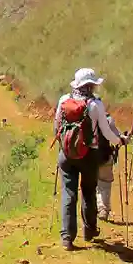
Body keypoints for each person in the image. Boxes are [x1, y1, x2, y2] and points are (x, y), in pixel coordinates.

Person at [53, 68, 127, 251]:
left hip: (67, 154)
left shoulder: (64, 101)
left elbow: (56, 126)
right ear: (90, 85)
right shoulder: (95, 105)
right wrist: (120, 140)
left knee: (68, 193)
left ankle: (67, 237)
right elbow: (106, 131)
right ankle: (90, 230)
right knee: (88, 191)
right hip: (89, 154)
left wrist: (63, 146)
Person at [96, 106, 123, 221]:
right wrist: (122, 139)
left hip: (88, 157)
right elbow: (116, 136)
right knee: (105, 183)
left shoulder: (85, 117)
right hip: (105, 156)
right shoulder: (108, 119)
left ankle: (94, 208)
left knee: (92, 184)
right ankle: (103, 209)